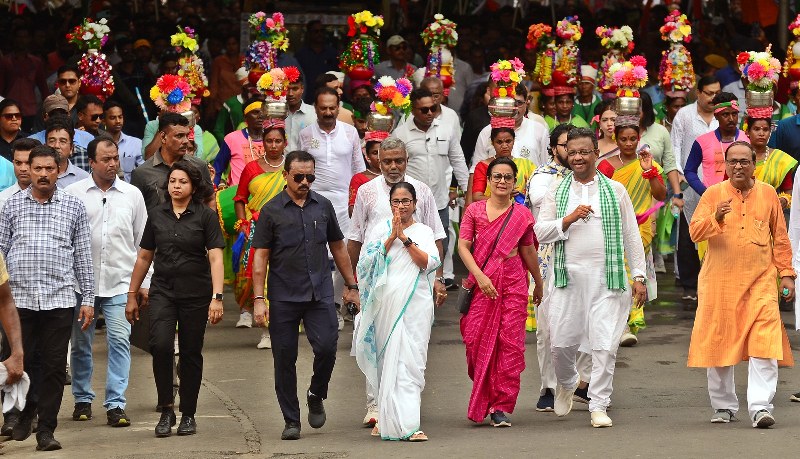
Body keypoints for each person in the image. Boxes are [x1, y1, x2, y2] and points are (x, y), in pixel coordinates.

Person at [534, 127, 646, 428]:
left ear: (596, 153)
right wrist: (569, 219)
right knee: (560, 345)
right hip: (567, 279)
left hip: (607, 280)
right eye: (572, 152)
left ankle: (599, 404)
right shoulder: (557, 190)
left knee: (604, 346)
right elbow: (540, 232)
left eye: (584, 151)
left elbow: (631, 235)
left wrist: (639, 275)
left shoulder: (615, 190)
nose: (578, 157)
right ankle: (569, 382)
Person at [250, 151, 360, 441]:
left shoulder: (322, 205)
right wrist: (258, 299)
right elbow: (260, 256)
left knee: (327, 347)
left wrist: (352, 285)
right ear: (285, 175)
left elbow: (338, 247)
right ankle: (291, 420)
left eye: (310, 177)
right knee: (284, 358)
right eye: (298, 176)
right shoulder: (271, 210)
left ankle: (316, 393)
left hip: (319, 292)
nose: (304, 182)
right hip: (283, 295)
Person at [688, 141, 795, 428]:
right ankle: (723, 406)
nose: (738, 166)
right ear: (725, 165)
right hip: (719, 283)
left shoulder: (768, 193)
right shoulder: (713, 194)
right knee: (719, 344)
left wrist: (786, 274)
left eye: (744, 161)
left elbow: (780, 237)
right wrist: (716, 217)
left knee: (764, 344)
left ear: (753, 165)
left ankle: (760, 408)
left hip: (761, 282)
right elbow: (695, 232)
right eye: (732, 161)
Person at [0, 145, 95, 451]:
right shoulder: (11, 205)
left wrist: (88, 298)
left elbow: (82, 255)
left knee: (54, 367)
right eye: (37, 168)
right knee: (20, 362)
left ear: (58, 171)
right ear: (28, 169)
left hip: (59, 298)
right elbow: (1, 249)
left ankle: (46, 430)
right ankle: (22, 413)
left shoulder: (73, 206)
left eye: (49, 169)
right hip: (18, 301)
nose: (43, 174)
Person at [346, 137, 446, 426]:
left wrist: (437, 278)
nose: (393, 166)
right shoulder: (366, 192)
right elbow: (355, 238)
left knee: (410, 347)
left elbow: (435, 237)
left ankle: (404, 405)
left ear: (406, 160)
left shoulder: (421, 191)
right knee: (376, 341)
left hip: (414, 282)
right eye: (387, 161)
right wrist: (352, 285)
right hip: (376, 280)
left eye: (398, 161)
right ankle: (375, 405)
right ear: (376, 160)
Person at [125, 161, 225, 438]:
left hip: (196, 294)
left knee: (191, 352)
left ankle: (188, 414)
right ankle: (167, 409)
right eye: (172, 181)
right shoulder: (157, 215)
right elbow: (145, 256)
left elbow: (215, 258)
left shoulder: (205, 216)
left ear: (193, 186)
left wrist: (217, 297)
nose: (176, 186)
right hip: (163, 292)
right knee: (160, 345)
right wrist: (132, 294)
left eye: (182, 182)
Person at [65, 137, 147, 428]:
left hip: (121, 282)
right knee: (80, 344)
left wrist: (144, 283)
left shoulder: (132, 195)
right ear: (91, 162)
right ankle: (82, 398)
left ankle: (116, 403)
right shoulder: (73, 194)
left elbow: (143, 243)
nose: (113, 164)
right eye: (106, 159)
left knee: (120, 341)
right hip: (80, 285)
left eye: (115, 158)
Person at [458, 157, 543, 427]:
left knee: (510, 343)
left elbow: (528, 250)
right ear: (489, 180)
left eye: (508, 177)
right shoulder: (474, 210)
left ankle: (500, 406)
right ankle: (485, 393)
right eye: (497, 176)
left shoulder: (522, 215)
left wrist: (538, 282)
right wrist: (480, 276)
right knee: (475, 341)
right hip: (482, 282)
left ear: (514, 182)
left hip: (514, 281)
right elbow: (463, 246)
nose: (502, 181)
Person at [526, 123, 592, 410]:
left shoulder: (591, 177)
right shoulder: (543, 177)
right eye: (567, 146)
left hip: (582, 257)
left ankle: (582, 383)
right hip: (547, 259)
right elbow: (541, 204)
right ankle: (549, 386)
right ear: (554, 149)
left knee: (585, 324)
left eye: (578, 148)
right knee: (548, 329)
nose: (573, 153)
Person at [598, 120, 667, 346]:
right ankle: (624, 323)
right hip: (613, 227)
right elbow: (599, 197)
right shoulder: (606, 166)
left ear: (639, 139)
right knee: (623, 273)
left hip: (641, 228)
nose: (628, 143)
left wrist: (649, 172)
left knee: (635, 272)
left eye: (632, 139)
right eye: (623, 139)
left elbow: (661, 195)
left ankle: (626, 323)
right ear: (615, 140)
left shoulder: (647, 164)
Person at [299, 87, 362, 329]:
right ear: (315, 108)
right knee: (315, 256)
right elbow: (298, 168)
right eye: (323, 108)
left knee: (343, 256)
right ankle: (316, 307)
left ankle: (335, 306)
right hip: (313, 202)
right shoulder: (306, 134)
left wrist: (356, 202)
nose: (327, 112)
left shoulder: (350, 132)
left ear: (339, 107)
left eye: (332, 108)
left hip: (344, 205)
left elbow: (358, 169)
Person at [391, 88, 470, 264]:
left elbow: (458, 161)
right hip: (411, 203)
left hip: (439, 201)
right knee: (412, 244)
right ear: (413, 110)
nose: (429, 113)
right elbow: (394, 170)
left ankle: (438, 278)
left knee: (441, 243)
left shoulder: (447, 130)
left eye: (433, 108)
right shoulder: (400, 134)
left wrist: (467, 193)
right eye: (424, 110)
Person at [232, 121, 288, 350]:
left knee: (284, 277)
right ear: (262, 143)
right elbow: (240, 199)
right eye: (269, 141)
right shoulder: (252, 168)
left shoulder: (290, 167)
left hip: (286, 229)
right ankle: (265, 330)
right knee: (257, 277)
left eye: (278, 141)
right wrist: (243, 224)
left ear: (285, 143)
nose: (273, 145)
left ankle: (282, 327)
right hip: (256, 229)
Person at [670, 76, 721, 302]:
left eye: (716, 93)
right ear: (698, 93)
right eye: (709, 93)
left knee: (717, 234)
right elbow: (675, 147)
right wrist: (679, 175)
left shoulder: (723, 115)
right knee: (688, 235)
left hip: (718, 186)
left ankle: (714, 283)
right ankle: (690, 285)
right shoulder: (684, 115)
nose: (713, 97)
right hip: (690, 185)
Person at [131, 112, 213, 210]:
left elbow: (210, 199)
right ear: (163, 137)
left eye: (187, 135)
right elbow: (135, 210)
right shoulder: (141, 173)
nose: (186, 141)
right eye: (179, 136)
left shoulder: (199, 166)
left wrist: (206, 220)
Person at [471, 84, 549, 169]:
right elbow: (476, 169)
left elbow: (547, 166)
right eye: (510, 103)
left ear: (526, 103)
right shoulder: (487, 132)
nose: (514, 108)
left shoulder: (539, 130)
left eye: (519, 103)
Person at [467, 127, 535, 207]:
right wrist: (504, 198)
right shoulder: (483, 166)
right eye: (499, 142)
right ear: (492, 143)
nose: (504, 146)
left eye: (508, 141)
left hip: (520, 212)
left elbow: (536, 192)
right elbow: (477, 197)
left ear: (514, 141)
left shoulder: (527, 165)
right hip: (490, 212)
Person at [28, 95, 95, 169]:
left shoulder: (88, 138)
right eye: (53, 114)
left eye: (62, 113)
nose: (58, 116)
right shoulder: (31, 141)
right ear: (45, 116)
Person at [213, 99, 265, 186]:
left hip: (264, 191)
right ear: (245, 117)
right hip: (236, 192)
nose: (260, 116)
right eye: (255, 112)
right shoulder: (232, 139)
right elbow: (217, 169)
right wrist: (214, 189)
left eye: (263, 112)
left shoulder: (272, 140)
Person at [102, 100, 143, 182]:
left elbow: (144, 172)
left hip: (130, 188)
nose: (118, 121)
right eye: (113, 118)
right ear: (103, 121)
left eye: (120, 117)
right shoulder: (98, 145)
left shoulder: (136, 143)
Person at [45, 117, 90, 188]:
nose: (56, 146)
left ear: (71, 148)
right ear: (45, 145)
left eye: (62, 141)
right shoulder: (35, 175)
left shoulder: (84, 178)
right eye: (52, 141)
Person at [0, 138, 39, 208]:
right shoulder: (3, 199)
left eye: (28, 163)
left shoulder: (56, 196)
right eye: (18, 163)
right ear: (13, 163)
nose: (23, 169)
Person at [348, 137, 382, 217]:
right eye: (375, 153)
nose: (379, 157)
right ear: (368, 156)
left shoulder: (394, 176)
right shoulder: (358, 178)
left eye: (382, 152)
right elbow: (352, 210)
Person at [285, 77, 317, 152]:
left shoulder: (314, 113)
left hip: (306, 158)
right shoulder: (277, 113)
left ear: (302, 89)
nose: (290, 94)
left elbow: (316, 143)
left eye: (295, 89)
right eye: (287, 89)